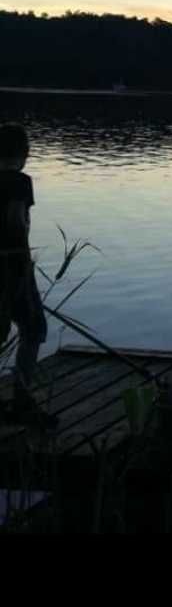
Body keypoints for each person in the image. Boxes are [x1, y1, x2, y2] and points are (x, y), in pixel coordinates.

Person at [0, 123, 53, 428]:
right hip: (12, 265)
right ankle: (22, 399)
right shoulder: (19, 182)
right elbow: (16, 222)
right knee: (33, 328)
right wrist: (23, 264)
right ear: (24, 153)